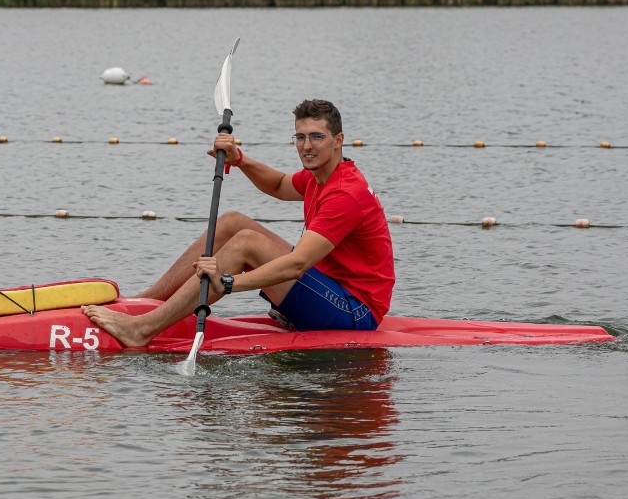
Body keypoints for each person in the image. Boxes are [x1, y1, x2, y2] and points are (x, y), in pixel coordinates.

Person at [82, 99, 395, 347]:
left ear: (338, 140)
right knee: (232, 222)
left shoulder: (345, 194)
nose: (307, 146)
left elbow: (297, 264)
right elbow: (278, 185)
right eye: (300, 137)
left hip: (355, 312)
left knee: (247, 242)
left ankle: (142, 329)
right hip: (329, 290)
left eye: (317, 137)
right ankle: (146, 302)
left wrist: (230, 284)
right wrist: (239, 159)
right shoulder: (322, 177)